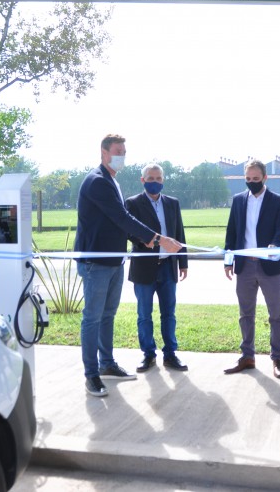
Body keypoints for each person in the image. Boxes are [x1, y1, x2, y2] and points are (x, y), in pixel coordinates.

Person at [75, 134, 182, 398]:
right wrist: (156, 239)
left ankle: (107, 364)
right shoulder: (97, 181)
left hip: (113, 260)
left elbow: (119, 223)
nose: (122, 155)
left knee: (108, 314)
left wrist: (143, 240)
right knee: (92, 317)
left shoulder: (112, 180)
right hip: (95, 263)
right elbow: (122, 217)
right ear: (104, 153)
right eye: (117, 151)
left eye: (124, 151)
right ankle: (91, 375)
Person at [223, 159, 280, 379]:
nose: (252, 182)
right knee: (245, 313)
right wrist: (228, 259)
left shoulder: (278, 201)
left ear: (265, 178)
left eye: (256, 179)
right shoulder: (239, 200)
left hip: (269, 265)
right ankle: (247, 356)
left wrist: (275, 244)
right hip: (244, 265)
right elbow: (232, 231)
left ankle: (277, 358)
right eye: (248, 179)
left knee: (276, 313)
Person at [125, 163, 189, 373]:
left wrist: (183, 262)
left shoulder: (173, 203)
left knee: (168, 314)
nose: (155, 182)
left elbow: (179, 233)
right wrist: (148, 241)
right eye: (150, 179)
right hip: (144, 269)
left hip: (168, 268)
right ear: (142, 180)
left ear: (163, 180)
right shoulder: (132, 203)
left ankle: (170, 354)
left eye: (158, 179)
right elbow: (131, 233)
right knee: (144, 314)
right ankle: (148, 354)